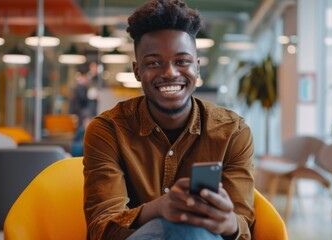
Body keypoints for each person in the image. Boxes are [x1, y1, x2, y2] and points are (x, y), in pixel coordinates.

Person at [83, 0, 255, 239]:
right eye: (154, 63)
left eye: (182, 62)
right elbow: (101, 228)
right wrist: (160, 209)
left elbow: (244, 227)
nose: (170, 73)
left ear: (197, 67)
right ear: (136, 71)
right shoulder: (108, 130)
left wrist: (227, 222)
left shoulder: (233, 132)